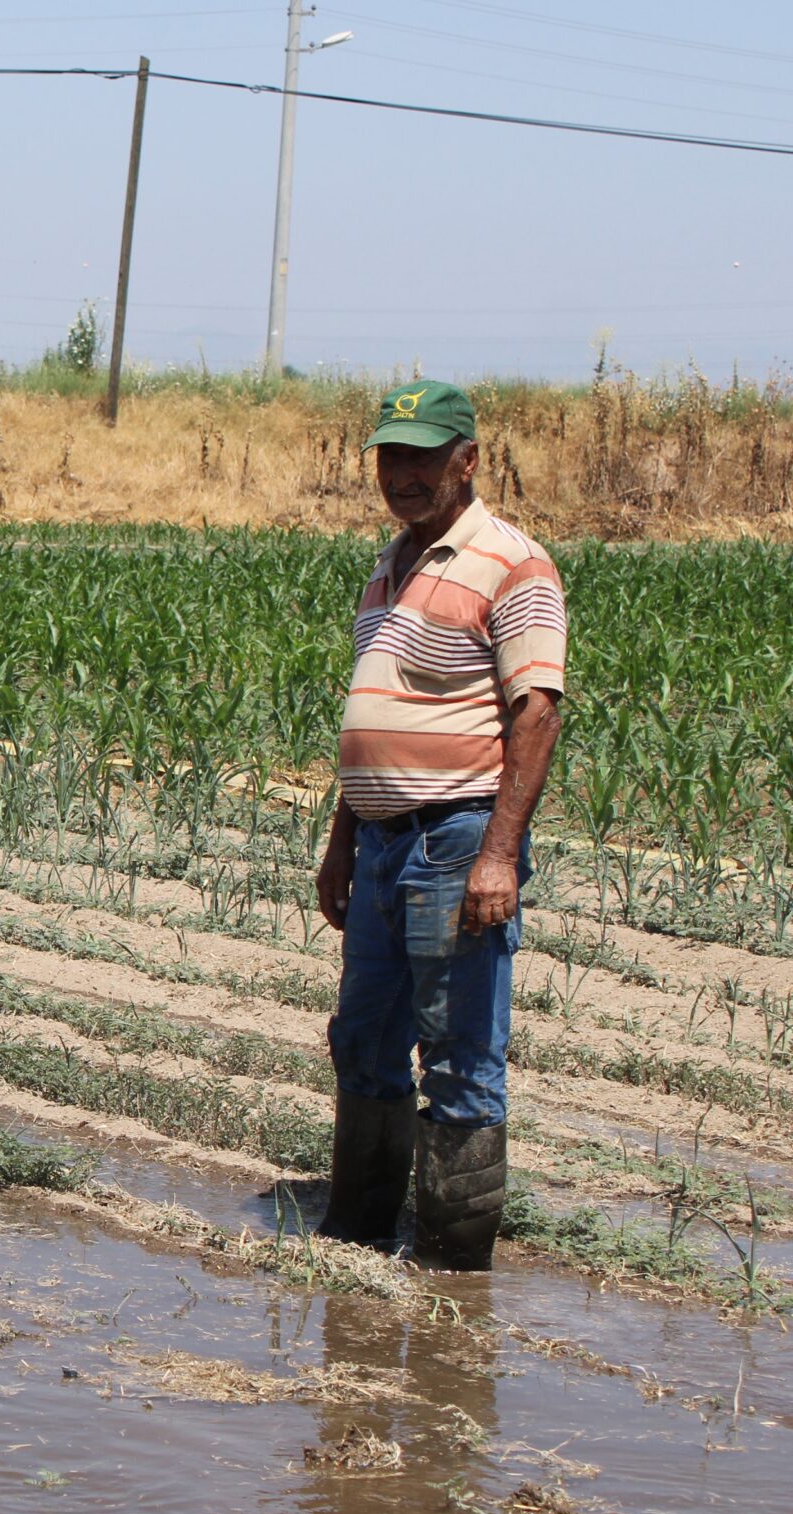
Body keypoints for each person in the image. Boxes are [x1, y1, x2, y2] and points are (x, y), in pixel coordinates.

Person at [314, 381, 566, 1270]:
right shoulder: (393, 565)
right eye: (391, 456)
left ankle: (453, 1272)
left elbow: (535, 712)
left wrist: (498, 855)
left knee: (456, 1050)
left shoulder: (510, 563)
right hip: (382, 843)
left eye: (423, 456)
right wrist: (342, 840)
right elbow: (374, 710)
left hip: (455, 840)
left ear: (468, 460)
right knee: (365, 1037)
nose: (404, 474)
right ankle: (358, 1236)